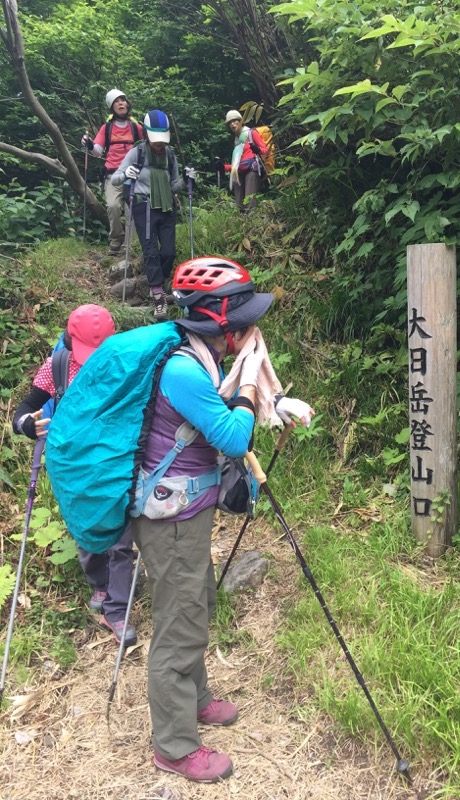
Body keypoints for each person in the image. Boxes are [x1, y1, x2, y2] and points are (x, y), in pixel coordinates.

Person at [131, 256, 314, 783]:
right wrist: (248, 391)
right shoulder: (185, 370)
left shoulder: (201, 356)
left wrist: (261, 398)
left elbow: (223, 421)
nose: (251, 330)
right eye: (243, 320)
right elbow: (233, 437)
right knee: (179, 623)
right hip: (168, 518)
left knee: (198, 601)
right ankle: (174, 744)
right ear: (217, 321)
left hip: (186, 511)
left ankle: (197, 699)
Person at [12, 304, 137, 648]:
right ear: (69, 338)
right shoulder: (59, 365)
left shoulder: (123, 363)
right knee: (86, 535)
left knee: (120, 539)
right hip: (72, 468)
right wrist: (26, 424)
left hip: (115, 461)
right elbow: (26, 408)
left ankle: (117, 609)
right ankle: (100, 583)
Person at [111, 109, 196, 319]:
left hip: (166, 206)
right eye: (156, 139)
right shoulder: (136, 153)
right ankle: (158, 294)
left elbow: (174, 185)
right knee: (150, 250)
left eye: (163, 139)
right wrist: (126, 174)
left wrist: (186, 181)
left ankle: (159, 282)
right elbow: (115, 179)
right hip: (144, 205)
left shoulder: (169, 155)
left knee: (168, 251)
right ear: (146, 134)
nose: (160, 144)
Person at [81, 89, 145, 255]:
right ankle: (116, 239)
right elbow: (98, 151)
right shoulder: (107, 128)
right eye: (117, 101)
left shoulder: (134, 126)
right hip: (112, 174)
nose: (121, 103)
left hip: (133, 174)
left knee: (133, 209)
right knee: (113, 206)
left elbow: (148, 142)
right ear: (112, 107)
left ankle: (131, 245)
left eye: (123, 100)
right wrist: (89, 144)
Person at [221, 109, 269, 212]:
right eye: (230, 123)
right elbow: (236, 165)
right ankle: (243, 227)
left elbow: (265, 150)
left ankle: (254, 225)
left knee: (250, 203)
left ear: (240, 120)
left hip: (251, 170)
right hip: (238, 172)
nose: (232, 124)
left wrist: (257, 149)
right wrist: (223, 167)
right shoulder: (236, 141)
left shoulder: (251, 133)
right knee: (239, 206)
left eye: (234, 121)